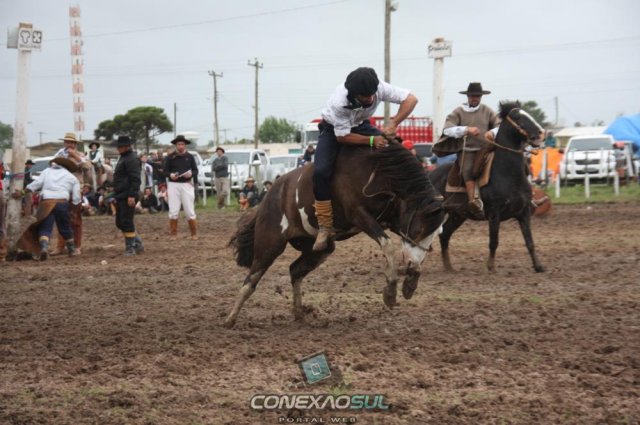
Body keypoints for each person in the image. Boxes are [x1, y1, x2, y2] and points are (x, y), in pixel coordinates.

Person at [312, 66, 418, 250]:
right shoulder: (339, 102)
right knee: (320, 172)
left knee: (398, 152)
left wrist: (394, 122)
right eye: (364, 96)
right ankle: (325, 226)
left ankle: (416, 198)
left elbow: (411, 99)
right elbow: (342, 137)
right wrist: (371, 140)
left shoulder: (379, 87)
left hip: (361, 125)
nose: (370, 99)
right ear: (353, 94)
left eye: (371, 94)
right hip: (333, 131)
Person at [433, 82, 499, 216]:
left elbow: (499, 125)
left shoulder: (487, 110)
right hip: (467, 149)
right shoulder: (458, 111)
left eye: (478, 96)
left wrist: (492, 132)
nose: (475, 98)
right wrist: (466, 129)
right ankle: (473, 201)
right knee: (468, 169)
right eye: (473, 96)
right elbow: (447, 129)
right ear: (468, 96)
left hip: (487, 148)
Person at [12, 157, 81, 261]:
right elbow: (76, 197)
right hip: (62, 202)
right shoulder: (72, 177)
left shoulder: (47, 171)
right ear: (67, 167)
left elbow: (36, 184)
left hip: (46, 202)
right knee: (65, 226)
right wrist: (73, 210)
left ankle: (44, 247)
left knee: (45, 226)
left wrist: (21, 193)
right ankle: (72, 250)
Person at [52, 132, 91, 255]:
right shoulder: (59, 155)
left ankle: (77, 246)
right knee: (61, 216)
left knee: (75, 217)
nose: (69, 144)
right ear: (64, 143)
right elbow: (52, 166)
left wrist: (75, 156)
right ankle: (60, 246)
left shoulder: (81, 155)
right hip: (61, 189)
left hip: (76, 189)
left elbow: (87, 167)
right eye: (67, 142)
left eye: (71, 142)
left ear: (75, 144)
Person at [111, 135, 144, 256]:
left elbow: (135, 179)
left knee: (126, 221)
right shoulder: (124, 157)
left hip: (128, 194)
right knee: (120, 222)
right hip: (121, 194)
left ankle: (131, 248)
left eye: (120, 146)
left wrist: (132, 195)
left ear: (127, 146)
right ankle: (137, 243)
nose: (118, 148)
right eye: (118, 146)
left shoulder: (131, 159)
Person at [164, 134, 199, 240]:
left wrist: (191, 174)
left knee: (189, 210)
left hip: (186, 184)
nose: (180, 146)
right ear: (176, 145)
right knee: (173, 210)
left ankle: (194, 233)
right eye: (179, 144)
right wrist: (170, 175)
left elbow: (195, 170)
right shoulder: (170, 157)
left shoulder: (190, 157)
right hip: (173, 185)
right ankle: (173, 234)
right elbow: (165, 171)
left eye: (182, 144)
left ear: (185, 145)